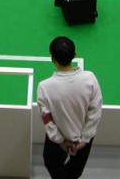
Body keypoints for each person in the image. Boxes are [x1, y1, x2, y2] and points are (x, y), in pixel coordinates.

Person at [37, 36, 102, 179]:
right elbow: (95, 112)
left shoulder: (44, 87)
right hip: (83, 139)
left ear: (52, 58)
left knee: (52, 163)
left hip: (56, 141)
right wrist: (84, 140)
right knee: (75, 171)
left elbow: (47, 119)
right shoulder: (90, 79)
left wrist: (60, 141)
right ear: (75, 54)